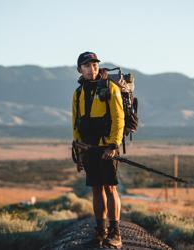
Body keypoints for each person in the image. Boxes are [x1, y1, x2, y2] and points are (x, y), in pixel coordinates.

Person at [72, 51, 124, 248]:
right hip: (88, 147)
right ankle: (100, 231)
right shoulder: (77, 93)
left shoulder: (110, 88)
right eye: (86, 65)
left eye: (94, 65)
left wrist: (113, 145)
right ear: (80, 69)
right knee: (96, 188)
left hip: (107, 146)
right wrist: (78, 150)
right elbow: (75, 123)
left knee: (110, 188)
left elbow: (119, 119)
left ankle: (115, 233)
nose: (91, 68)